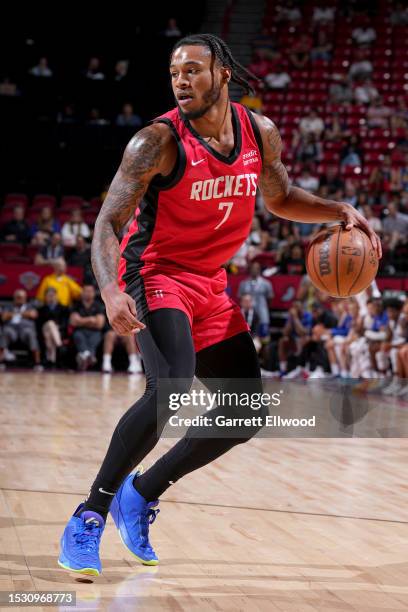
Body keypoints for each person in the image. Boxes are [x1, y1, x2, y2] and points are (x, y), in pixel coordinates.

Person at [58, 33, 380, 576]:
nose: (181, 80)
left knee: (245, 409)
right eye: (174, 72)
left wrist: (335, 207)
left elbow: (278, 198)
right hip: (154, 274)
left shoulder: (260, 132)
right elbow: (108, 222)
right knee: (172, 391)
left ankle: (141, 493)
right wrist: (112, 289)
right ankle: (90, 514)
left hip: (210, 282)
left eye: (192, 70)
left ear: (222, 75)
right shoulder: (155, 142)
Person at [1, 289, 42, 370]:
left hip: (25, 329)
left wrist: (15, 314)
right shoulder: (9, 306)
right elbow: (3, 317)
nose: (19, 299)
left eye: (21, 297)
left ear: (25, 298)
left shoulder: (30, 306)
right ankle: (1, 362)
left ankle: (37, 363)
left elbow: (33, 315)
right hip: (12, 329)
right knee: (5, 331)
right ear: (14, 298)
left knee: (30, 333)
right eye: (18, 297)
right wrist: (24, 314)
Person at [69, 285, 105, 370]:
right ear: (82, 292)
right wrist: (91, 320)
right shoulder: (77, 305)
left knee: (94, 338)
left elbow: (100, 324)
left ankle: (83, 356)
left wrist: (81, 320)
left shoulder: (98, 305)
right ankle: (90, 356)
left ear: (94, 293)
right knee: (78, 336)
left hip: (95, 332)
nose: (88, 293)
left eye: (90, 291)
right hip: (80, 331)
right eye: (86, 291)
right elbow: (73, 322)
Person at [37, 287, 69, 366]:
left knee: (50, 333)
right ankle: (59, 345)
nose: (51, 297)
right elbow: (39, 324)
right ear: (45, 297)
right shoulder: (41, 309)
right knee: (50, 324)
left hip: (58, 331)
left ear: (56, 296)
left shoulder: (63, 308)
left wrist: (57, 327)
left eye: (53, 295)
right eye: (49, 295)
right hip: (44, 330)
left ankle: (51, 360)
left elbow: (65, 323)